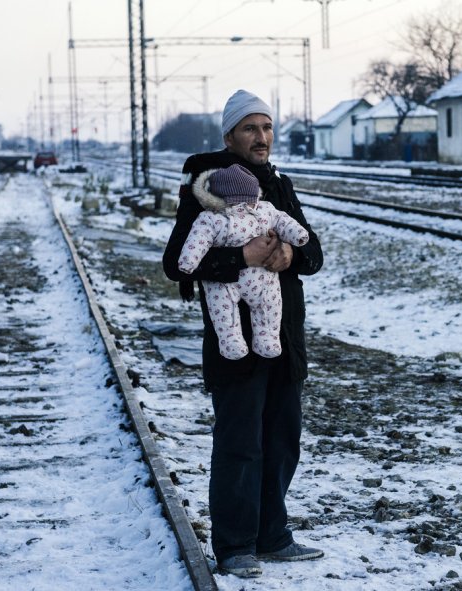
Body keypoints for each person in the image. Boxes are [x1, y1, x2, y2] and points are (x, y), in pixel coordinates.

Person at [163, 89, 324, 579]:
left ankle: (273, 537)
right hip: (235, 340)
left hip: (284, 332)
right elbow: (177, 263)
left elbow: (313, 250)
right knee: (240, 442)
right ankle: (235, 546)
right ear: (229, 135)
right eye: (251, 128)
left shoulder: (279, 183)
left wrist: (290, 257)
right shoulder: (206, 185)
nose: (262, 137)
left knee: (283, 438)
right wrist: (243, 258)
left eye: (268, 127)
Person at [177, 163, 310, 360]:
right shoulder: (212, 217)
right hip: (226, 282)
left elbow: (283, 221)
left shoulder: (266, 206)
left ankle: (267, 339)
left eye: (267, 129)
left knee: (267, 303)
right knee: (227, 308)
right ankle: (232, 342)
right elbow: (197, 240)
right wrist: (189, 261)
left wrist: (296, 242)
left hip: (261, 279)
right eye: (249, 129)